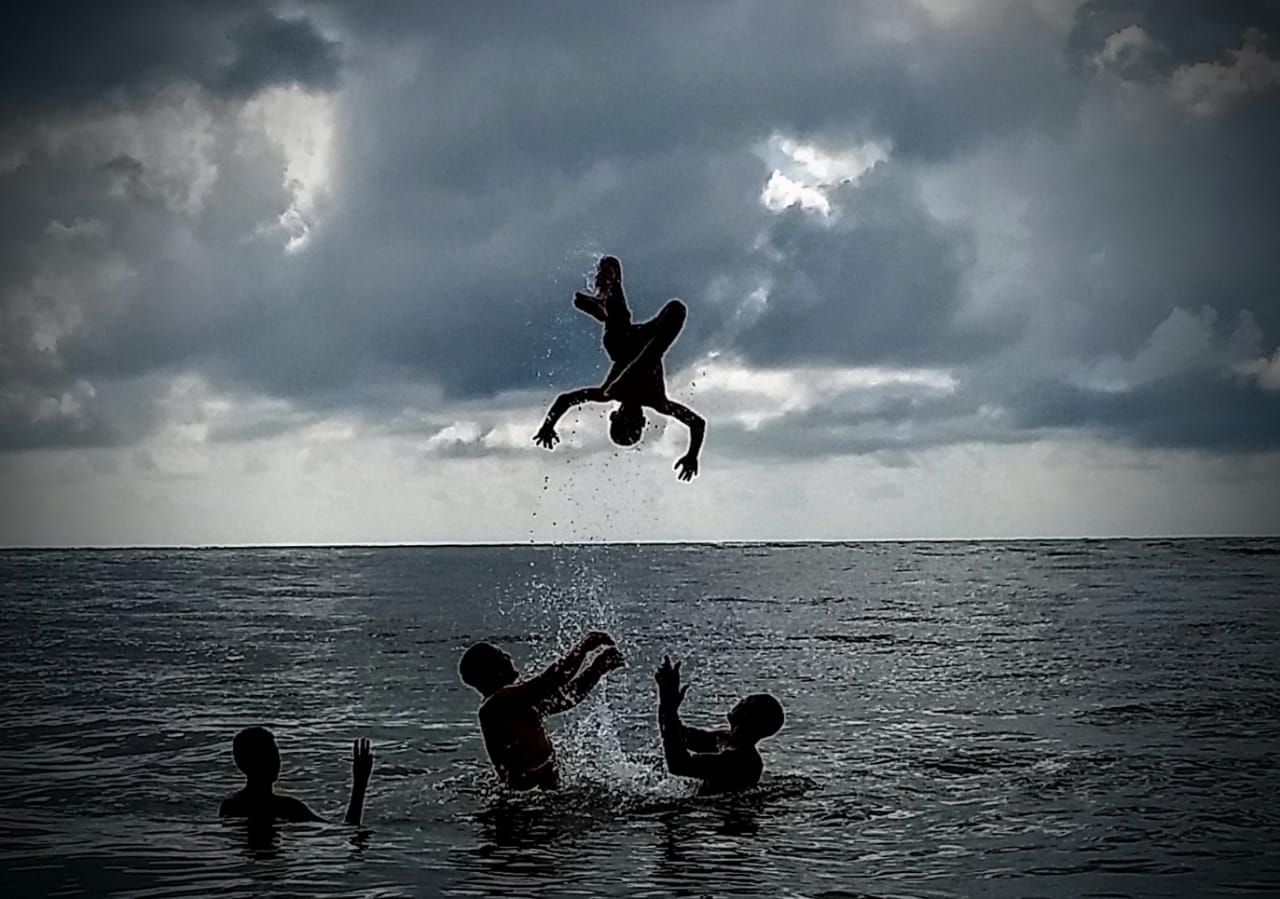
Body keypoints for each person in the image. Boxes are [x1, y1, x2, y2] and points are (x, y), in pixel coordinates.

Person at [534, 255, 706, 480]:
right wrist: (692, 455)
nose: (634, 418)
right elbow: (697, 423)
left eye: (630, 421)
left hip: (628, 343)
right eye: (634, 422)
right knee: (672, 310)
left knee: (614, 269)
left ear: (617, 417)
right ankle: (604, 304)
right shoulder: (653, 401)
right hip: (643, 344)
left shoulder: (622, 395)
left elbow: (566, 399)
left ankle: (603, 300)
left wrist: (549, 426)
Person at [459, 631, 624, 790]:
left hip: (540, 790)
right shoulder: (497, 704)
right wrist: (583, 647)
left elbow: (565, 698)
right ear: (491, 670)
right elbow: (551, 680)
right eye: (501, 656)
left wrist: (596, 669)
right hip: (527, 799)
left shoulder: (515, 703)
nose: (508, 658)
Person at [654, 655, 784, 795]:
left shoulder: (741, 761)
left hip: (716, 814)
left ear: (749, 718)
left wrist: (667, 706)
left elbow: (679, 765)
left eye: (746, 701)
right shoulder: (725, 739)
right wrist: (667, 704)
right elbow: (682, 735)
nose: (740, 701)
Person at [218, 726, 373, 824]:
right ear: (245, 763)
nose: (275, 762)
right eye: (268, 756)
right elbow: (346, 831)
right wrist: (360, 784)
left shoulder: (230, 806)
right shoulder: (287, 807)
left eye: (275, 756)